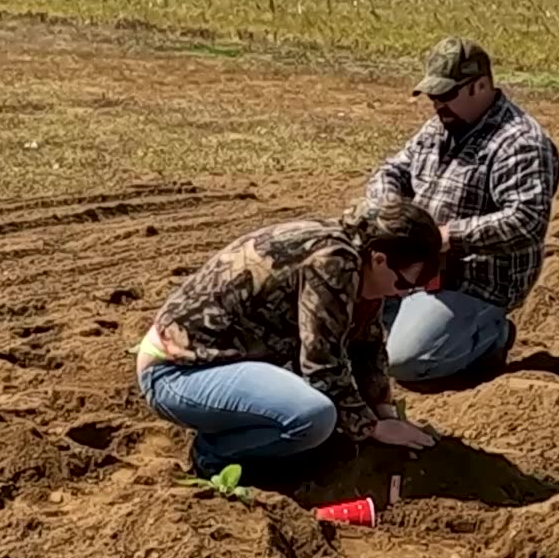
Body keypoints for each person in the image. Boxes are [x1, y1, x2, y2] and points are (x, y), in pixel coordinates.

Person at [135, 199, 442, 477]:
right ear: (379, 259)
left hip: (224, 361)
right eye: (404, 284)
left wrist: (384, 410)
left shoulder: (360, 259)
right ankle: (213, 454)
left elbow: (366, 344)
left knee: (327, 419)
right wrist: (372, 427)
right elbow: (322, 364)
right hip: (176, 372)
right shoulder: (334, 262)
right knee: (314, 417)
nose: (401, 294)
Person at [366, 36, 559, 384]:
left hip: (474, 282)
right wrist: (389, 209)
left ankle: (492, 334)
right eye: (432, 95)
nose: (437, 104)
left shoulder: (520, 142)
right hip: (416, 267)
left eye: (446, 94)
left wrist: (445, 238)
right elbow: (391, 171)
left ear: (480, 86)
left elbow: (527, 221)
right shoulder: (439, 127)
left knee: (407, 362)